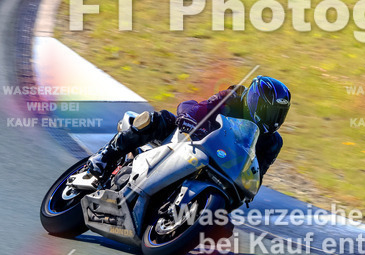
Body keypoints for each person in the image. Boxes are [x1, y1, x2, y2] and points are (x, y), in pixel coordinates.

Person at [86, 76, 290, 181]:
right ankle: (106, 156)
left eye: (279, 114)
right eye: (270, 111)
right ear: (255, 100)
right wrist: (189, 120)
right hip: (190, 140)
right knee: (158, 119)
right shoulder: (233, 97)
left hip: (219, 166)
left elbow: (256, 175)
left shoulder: (273, 142)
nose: (273, 119)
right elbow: (199, 107)